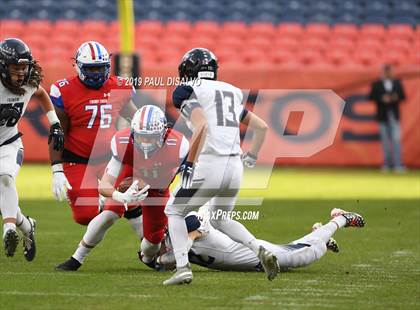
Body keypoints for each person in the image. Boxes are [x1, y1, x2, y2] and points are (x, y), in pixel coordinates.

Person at [163, 48, 278, 286]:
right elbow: (262, 127)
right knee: (219, 218)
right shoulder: (231, 91)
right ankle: (259, 249)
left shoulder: (186, 90)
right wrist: (252, 156)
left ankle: (182, 268)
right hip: (235, 167)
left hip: (209, 164)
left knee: (174, 211)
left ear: (187, 71)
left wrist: (189, 164)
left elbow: (201, 126)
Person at [55, 105, 189, 271]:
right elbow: (104, 185)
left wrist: (150, 185)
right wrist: (120, 196)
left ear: (163, 133)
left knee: (151, 245)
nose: (145, 143)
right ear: (133, 133)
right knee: (109, 214)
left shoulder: (179, 145)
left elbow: (189, 182)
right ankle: (77, 258)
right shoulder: (122, 142)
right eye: (141, 137)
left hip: (158, 189)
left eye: (151, 137)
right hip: (129, 176)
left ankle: (147, 257)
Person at [49, 41, 140, 231]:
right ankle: (95, 203)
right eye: (92, 68)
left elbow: (135, 118)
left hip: (110, 158)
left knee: (131, 199)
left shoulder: (119, 86)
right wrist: (57, 169)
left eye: (101, 67)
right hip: (77, 160)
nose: (97, 73)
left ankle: (150, 242)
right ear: (79, 67)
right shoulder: (65, 90)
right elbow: (58, 132)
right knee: (85, 216)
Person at [0, 38, 65, 259]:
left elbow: (42, 94)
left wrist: (55, 123)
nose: (20, 74)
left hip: (9, 144)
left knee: (5, 179)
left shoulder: (28, 84)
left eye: (23, 68)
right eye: (15, 68)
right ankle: (26, 226)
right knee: (3, 197)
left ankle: (8, 229)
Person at [157, 206, 365, 273]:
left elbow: (185, 246)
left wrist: (161, 257)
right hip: (251, 262)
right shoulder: (182, 228)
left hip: (259, 256)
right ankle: (319, 235)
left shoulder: (194, 224)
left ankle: (341, 219)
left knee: (308, 255)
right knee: (306, 249)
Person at [368, 64, 406, 172]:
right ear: (383, 72)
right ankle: (387, 164)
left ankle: (398, 164)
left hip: (394, 115)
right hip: (382, 115)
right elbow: (371, 96)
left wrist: (395, 97)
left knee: (396, 140)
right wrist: (381, 98)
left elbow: (403, 96)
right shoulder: (376, 83)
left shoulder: (397, 82)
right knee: (385, 141)